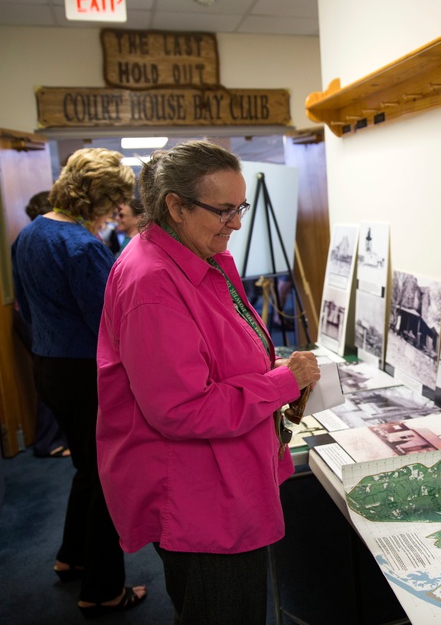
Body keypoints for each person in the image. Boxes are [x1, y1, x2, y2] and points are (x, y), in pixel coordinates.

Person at [96, 141, 320, 623]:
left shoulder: (197, 253)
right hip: (198, 496)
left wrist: (270, 366)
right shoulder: (152, 282)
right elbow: (182, 408)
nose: (236, 222)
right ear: (174, 206)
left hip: (220, 476)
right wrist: (281, 383)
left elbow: (215, 348)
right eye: (223, 210)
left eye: (240, 207)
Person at [11, 148, 147, 617]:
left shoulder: (30, 234)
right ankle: (103, 589)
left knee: (87, 469)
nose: (115, 211)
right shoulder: (82, 246)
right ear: (97, 196)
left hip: (47, 367)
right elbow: (112, 323)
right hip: (87, 372)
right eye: (112, 201)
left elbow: (25, 310)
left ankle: (71, 556)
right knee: (109, 477)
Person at [11, 190, 70, 459]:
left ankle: (52, 439)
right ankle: (48, 442)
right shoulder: (51, 241)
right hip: (38, 320)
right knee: (52, 379)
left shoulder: (25, 238)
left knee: (48, 377)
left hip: (29, 317)